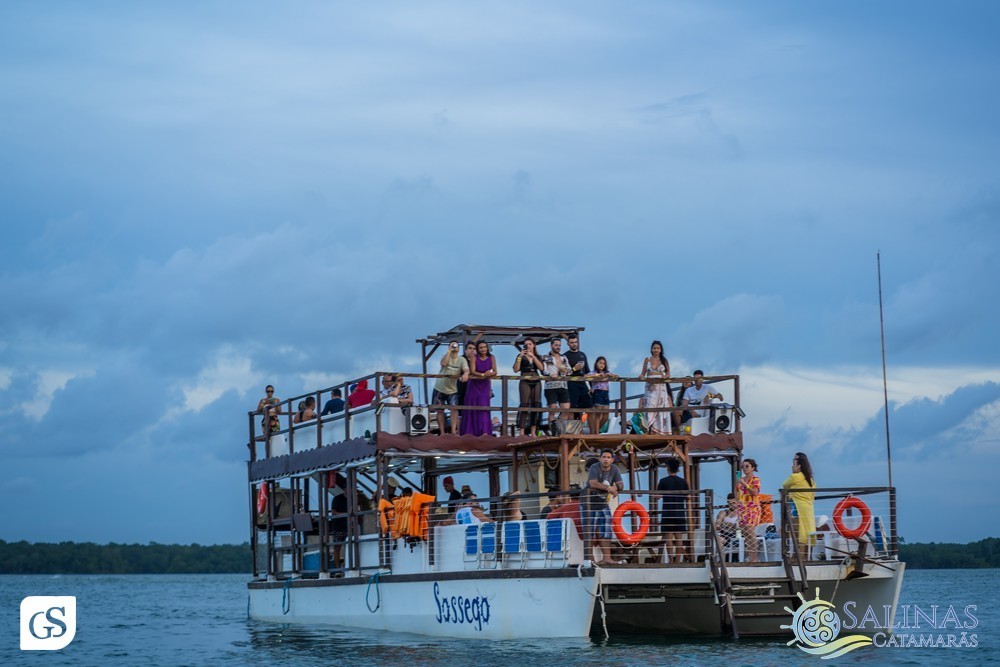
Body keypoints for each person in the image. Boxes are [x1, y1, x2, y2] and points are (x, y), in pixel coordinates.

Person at [586, 449, 624, 566]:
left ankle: (606, 558)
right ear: (600, 458)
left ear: (612, 459)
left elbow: (621, 485)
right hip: (589, 503)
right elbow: (592, 483)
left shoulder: (615, 469)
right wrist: (609, 489)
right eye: (604, 457)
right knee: (589, 532)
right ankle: (590, 560)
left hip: (603, 503)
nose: (606, 459)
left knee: (606, 531)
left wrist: (615, 487)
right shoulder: (594, 467)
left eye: (608, 457)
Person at [782, 452, 817, 560]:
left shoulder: (795, 477)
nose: (792, 466)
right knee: (806, 534)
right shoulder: (810, 480)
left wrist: (794, 472)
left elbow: (784, 484)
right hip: (808, 509)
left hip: (797, 510)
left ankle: (799, 558)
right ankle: (805, 557)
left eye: (794, 463)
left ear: (799, 465)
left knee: (797, 535)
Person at [433, 342, 470, 435]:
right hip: (440, 387)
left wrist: (465, 374)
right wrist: (449, 350)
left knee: (454, 410)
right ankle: (442, 432)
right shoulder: (446, 356)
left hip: (452, 389)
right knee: (440, 410)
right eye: (452, 345)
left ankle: (453, 431)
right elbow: (443, 363)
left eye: (456, 345)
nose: (454, 347)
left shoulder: (462, 360)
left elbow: (466, 369)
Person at [657, 458, 689, 564]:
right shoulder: (683, 481)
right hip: (680, 512)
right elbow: (688, 497)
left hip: (668, 513)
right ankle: (678, 560)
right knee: (679, 538)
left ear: (668, 468)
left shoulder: (663, 481)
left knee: (669, 539)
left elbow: (657, 496)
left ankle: (671, 561)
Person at [460, 341, 496, 436]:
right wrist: (484, 374)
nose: (483, 349)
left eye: (485, 347)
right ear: (478, 349)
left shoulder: (492, 358)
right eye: (481, 347)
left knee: (484, 407)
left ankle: (484, 431)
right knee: (472, 406)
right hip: (474, 385)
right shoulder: (474, 358)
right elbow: (472, 371)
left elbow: (495, 371)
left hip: (485, 385)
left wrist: (490, 374)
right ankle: (470, 432)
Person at [513, 337, 544, 437]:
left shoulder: (537, 356)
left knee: (536, 405)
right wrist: (520, 356)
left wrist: (533, 356)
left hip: (536, 379)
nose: (528, 346)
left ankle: (533, 431)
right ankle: (522, 432)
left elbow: (541, 368)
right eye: (526, 344)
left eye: (530, 344)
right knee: (524, 405)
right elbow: (516, 369)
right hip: (525, 379)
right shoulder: (520, 356)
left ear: (533, 345)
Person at [640, 340, 673, 434]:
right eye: (654, 348)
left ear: (661, 350)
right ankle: (649, 429)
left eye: (658, 348)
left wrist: (665, 376)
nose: (656, 350)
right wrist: (641, 377)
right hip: (650, 387)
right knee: (650, 405)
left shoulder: (664, 360)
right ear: (651, 349)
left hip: (660, 387)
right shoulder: (647, 360)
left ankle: (659, 431)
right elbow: (643, 373)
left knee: (660, 406)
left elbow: (668, 373)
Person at [736, 458, 762, 562]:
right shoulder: (741, 480)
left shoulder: (755, 479)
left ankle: (754, 559)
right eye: (743, 466)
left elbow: (755, 492)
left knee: (751, 533)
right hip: (742, 509)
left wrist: (744, 484)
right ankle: (750, 558)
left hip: (752, 508)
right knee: (746, 534)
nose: (744, 468)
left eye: (747, 466)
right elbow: (738, 495)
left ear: (753, 468)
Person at [542, 338, 571, 426]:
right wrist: (551, 374)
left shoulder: (564, 357)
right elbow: (544, 371)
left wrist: (566, 371)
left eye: (559, 345)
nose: (558, 347)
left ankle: (560, 429)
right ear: (551, 346)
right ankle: (552, 430)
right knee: (552, 408)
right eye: (556, 345)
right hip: (551, 386)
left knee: (566, 409)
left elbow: (570, 370)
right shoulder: (546, 357)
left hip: (563, 385)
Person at [563, 334, 592, 419]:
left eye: (576, 342)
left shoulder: (582, 354)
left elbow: (588, 371)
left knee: (588, 407)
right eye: (572, 342)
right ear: (568, 343)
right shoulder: (565, 356)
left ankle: (583, 427)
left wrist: (591, 386)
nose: (574, 344)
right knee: (573, 408)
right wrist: (575, 368)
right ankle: (572, 431)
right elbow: (564, 373)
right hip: (571, 384)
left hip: (582, 383)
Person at [587, 356, 616, 434]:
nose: (602, 365)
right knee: (598, 413)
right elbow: (585, 376)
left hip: (605, 393)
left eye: (603, 363)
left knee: (606, 415)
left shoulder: (606, 372)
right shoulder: (593, 372)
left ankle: (596, 430)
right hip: (597, 392)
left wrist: (609, 376)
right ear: (596, 364)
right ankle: (596, 433)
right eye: (600, 363)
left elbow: (616, 376)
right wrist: (597, 376)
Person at [328, 473, 349, 570]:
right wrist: (345, 514)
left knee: (350, 545)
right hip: (338, 526)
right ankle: (337, 568)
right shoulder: (337, 498)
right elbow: (333, 512)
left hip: (348, 526)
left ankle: (348, 564)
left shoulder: (353, 499)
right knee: (337, 548)